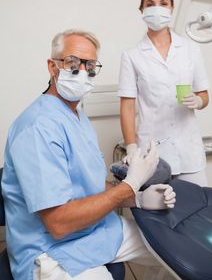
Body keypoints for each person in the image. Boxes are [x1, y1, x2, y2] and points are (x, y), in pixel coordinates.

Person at [2, 29, 176, 280]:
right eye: (73, 63)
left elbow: (89, 185)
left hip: (94, 231)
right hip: (51, 251)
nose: (82, 72)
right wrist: (129, 185)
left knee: (170, 245)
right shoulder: (37, 127)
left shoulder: (78, 117)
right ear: (53, 67)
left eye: (90, 66)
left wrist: (138, 199)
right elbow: (58, 224)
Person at [118, 0, 209, 187]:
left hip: (189, 152)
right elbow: (127, 105)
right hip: (152, 153)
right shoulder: (132, 56)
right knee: (157, 215)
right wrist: (131, 147)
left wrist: (198, 101)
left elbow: (204, 95)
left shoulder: (190, 49)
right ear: (141, 9)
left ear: (171, 8)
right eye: (150, 4)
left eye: (163, 2)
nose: (157, 8)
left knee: (198, 212)